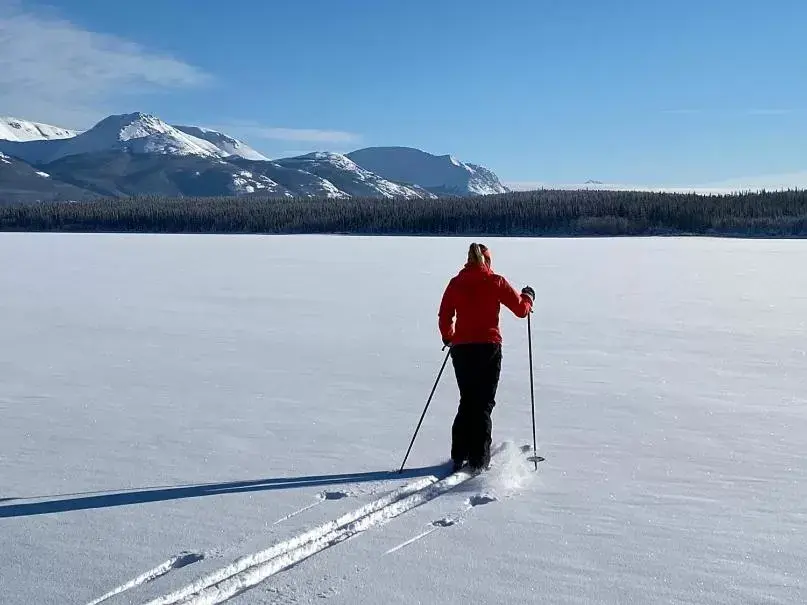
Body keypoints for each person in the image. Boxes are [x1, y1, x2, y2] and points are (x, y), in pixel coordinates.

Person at [438, 242, 534, 472]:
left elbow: (444, 316)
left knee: (468, 400)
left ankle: (459, 454)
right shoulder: (495, 281)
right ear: (488, 261)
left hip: (461, 350)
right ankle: (479, 460)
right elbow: (521, 310)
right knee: (482, 404)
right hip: (488, 349)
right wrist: (528, 297)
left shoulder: (456, 283)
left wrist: (449, 337)